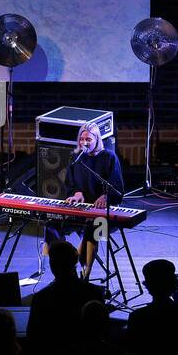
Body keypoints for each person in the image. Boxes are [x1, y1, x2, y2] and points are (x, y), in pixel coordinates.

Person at [45, 120, 124, 280]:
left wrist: (106, 196)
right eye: (82, 139)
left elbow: (118, 190)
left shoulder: (109, 157)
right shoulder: (76, 158)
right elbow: (70, 185)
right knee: (51, 225)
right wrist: (76, 193)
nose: (84, 143)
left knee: (91, 230)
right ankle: (64, 268)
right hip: (80, 211)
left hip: (102, 216)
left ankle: (83, 276)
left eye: (88, 139)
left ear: (97, 140)